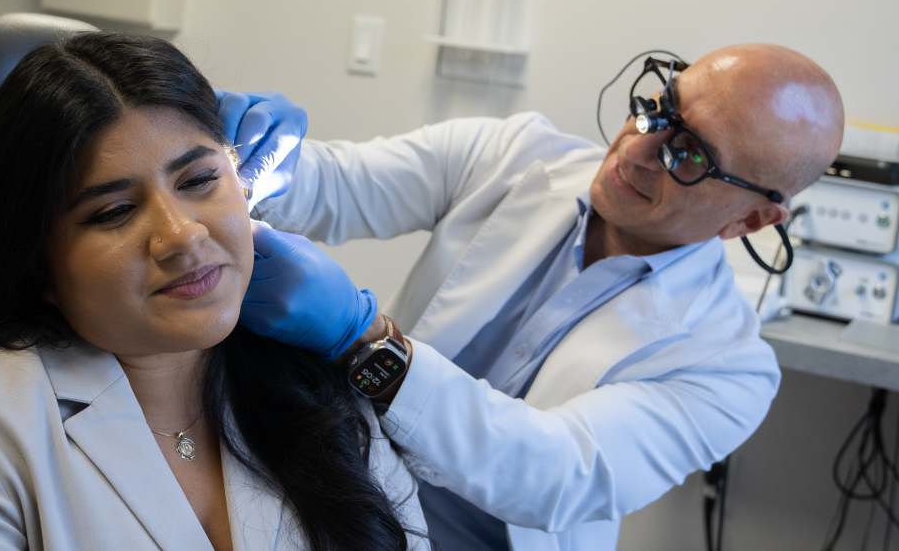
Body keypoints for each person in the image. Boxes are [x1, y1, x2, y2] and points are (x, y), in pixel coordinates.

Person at [227, 44, 846, 550]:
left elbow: (552, 473)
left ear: (750, 221)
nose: (636, 146)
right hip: (332, 502)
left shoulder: (729, 369)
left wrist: (364, 343)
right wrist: (244, 153)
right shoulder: (516, 154)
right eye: (661, 107)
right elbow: (334, 186)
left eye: (689, 155)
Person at [0, 32, 428, 550]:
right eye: (114, 211)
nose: (182, 235)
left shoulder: (319, 388)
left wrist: (364, 337)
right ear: (36, 262)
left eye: (199, 180)